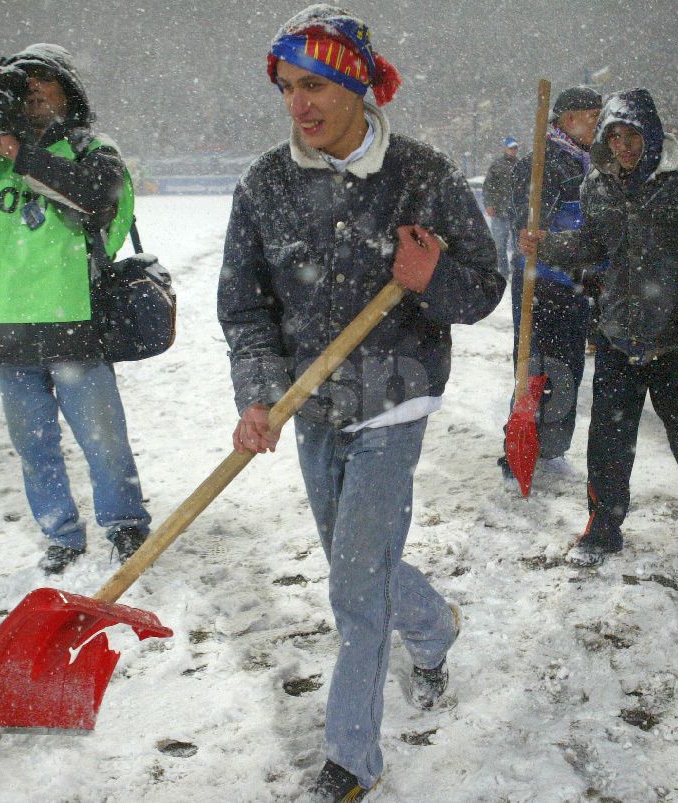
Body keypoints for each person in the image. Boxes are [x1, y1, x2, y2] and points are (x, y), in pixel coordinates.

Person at [217, 6, 504, 799]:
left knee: (351, 584)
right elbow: (244, 309)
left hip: (394, 402)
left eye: (313, 84)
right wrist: (258, 394)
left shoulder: (422, 174)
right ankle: (434, 625)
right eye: (286, 88)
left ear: (354, 83)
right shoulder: (266, 185)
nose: (297, 104)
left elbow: (482, 286)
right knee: (362, 564)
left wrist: (430, 280)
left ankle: (351, 760)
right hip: (311, 409)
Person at [0, 44, 151, 574]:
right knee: (34, 447)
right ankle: (60, 532)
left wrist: (21, 153)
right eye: (23, 82)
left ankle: (125, 522)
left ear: (70, 89)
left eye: (46, 78)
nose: (35, 89)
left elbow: (99, 200)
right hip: (2, 328)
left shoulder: (92, 147)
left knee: (103, 438)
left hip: (73, 321)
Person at [520, 88, 678, 565]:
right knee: (608, 439)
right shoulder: (596, 186)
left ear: (652, 134)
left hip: (676, 337)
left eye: (632, 135)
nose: (623, 146)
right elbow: (594, 245)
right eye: (614, 136)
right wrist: (547, 245)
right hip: (619, 333)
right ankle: (603, 526)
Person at [497, 85, 603, 487]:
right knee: (536, 368)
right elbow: (523, 219)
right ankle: (517, 451)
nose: (597, 122)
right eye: (590, 114)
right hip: (541, 284)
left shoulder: (592, 163)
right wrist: (540, 234)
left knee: (570, 370)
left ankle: (553, 446)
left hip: (576, 285)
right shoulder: (539, 164)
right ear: (565, 119)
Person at [483, 136, 520, 276]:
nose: (513, 150)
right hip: (499, 212)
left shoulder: (521, 165)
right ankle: (503, 272)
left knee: (518, 246)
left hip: (516, 213)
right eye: (511, 147)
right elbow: (488, 187)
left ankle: (516, 272)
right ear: (505, 148)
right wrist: (489, 204)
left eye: (515, 147)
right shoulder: (497, 165)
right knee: (500, 245)